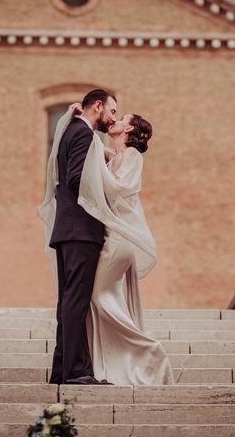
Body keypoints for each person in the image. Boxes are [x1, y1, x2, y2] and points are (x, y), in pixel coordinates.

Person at [85, 112, 174, 385]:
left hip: (121, 238)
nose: (115, 121)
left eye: (121, 118)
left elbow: (121, 188)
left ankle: (150, 350)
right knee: (102, 296)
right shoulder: (115, 157)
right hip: (112, 235)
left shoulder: (134, 156)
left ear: (131, 128)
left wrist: (98, 164)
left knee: (99, 295)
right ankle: (113, 361)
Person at [39, 89, 117, 385]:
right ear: (98, 106)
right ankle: (75, 371)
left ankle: (63, 370)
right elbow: (76, 178)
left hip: (68, 229)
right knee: (76, 302)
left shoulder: (70, 130)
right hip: (81, 229)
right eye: (112, 111)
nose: (112, 118)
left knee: (69, 302)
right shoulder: (84, 134)